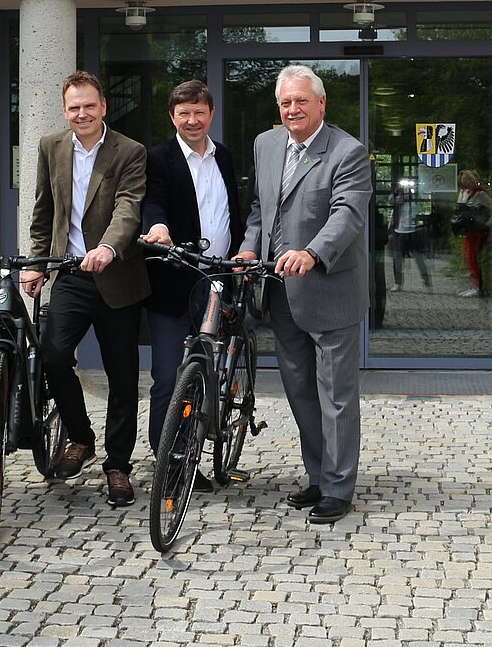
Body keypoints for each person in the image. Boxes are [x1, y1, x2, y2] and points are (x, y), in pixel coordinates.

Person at [236, 65, 371, 525]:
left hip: (330, 290)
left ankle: (338, 488)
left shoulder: (348, 152)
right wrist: (249, 245)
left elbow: (348, 215)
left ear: (321, 104)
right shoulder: (266, 144)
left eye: (301, 102)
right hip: (279, 292)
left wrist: (313, 253)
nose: (292, 110)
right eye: (285, 103)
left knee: (336, 394)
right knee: (300, 391)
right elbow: (260, 207)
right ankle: (317, 476)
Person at [21, 71, 149, 507]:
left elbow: (128, 208)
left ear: (103, 107)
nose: (82, 113)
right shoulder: (51, 147)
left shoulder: (129, 151)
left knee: (121, 375)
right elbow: (43, 211)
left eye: (89, 105)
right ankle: (80, 436)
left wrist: (109, 247)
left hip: (117, 277)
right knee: (53, 356)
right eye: (74, 107)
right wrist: (37, 263)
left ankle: (118, 465)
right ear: (65, 110)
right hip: (71, 275)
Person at [138, 80, 243, 491]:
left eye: (199, 112)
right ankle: (169, 461)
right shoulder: (159, 158)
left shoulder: (225, 156)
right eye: (184, 113)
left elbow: (233, 208)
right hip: (172, 282)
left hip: (217, 279)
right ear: (172, 117)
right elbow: (153, 202)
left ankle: (196, 449)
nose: (192, 120)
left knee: (206, 371)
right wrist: (157, 226)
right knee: (168, 374)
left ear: (210, 113)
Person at [390, 182, 432, 292]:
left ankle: (426, 281)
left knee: (418, 258)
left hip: (413, 230)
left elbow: (419, 203)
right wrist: (398, 194)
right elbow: (392, 207)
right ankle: (398, 282)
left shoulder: (414, 198)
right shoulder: (398, 199)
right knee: (397, 258)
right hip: (400, 230)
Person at [457, 169, 492, 298]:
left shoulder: (480, 194)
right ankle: (474, 285)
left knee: (473, 257)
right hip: (470, 229)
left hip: (478, 230)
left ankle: (478, 286)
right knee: (469, 257)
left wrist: (487, 224)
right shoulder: (466, 193)